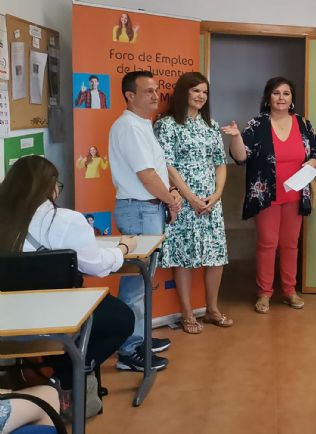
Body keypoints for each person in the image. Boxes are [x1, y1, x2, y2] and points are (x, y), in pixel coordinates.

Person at [0, 155, 136, 416]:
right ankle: (65, 374)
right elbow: (95, 266)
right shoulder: (66, 220)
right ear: (50, 187)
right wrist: (121, 249)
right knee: (121, 319)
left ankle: (55, 374)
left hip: (9, 319)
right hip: (60, 317)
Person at [224, 76, 316, 314]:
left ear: (292, 99)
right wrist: (236, 137)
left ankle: (289, 291)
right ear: (268, 98)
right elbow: (240, 157)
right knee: (268, 243)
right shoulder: (257, 125)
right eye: (276, 93)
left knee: (290, 244)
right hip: (266, 194)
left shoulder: (303, 124)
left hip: (296, 194)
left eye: (286, 93)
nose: (281, 97)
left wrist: (311, 161)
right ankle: (265, 293)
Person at [109, 70, 182, 370]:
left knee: (143, 281)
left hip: (148, 208)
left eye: (156, 90)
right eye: (148, 91)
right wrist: (171, 198)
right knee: (136, 284)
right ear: (129, 95)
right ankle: (129, 351)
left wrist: (168, 198)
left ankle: (138, 337)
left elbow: (156, 171)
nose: (156, 95)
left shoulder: (142, 124)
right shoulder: (128, 127)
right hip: (139, 210)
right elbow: (147, 176)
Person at [154, 72, 232, 333]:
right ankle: (187, 314)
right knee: (183, 257)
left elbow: (220, 163)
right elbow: (167, 165)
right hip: (183, 201)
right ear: (184, 92)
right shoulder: (167, 124)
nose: (201, 96)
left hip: (210, 201)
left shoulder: (211, 125)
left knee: (215, 256)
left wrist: (217, 194)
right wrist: (189, 197)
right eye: (196, 90)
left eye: (205, 92)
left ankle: (212, 309)